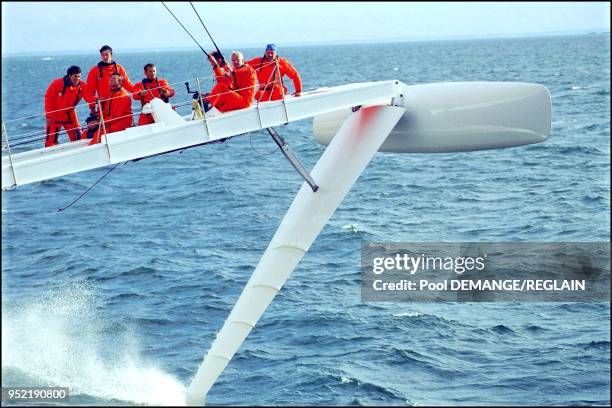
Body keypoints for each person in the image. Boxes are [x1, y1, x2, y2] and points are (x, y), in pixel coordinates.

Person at [44, 65, 93, 147]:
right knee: (50, 141)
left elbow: (89, 97)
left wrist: (97, 100)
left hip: (70, 115)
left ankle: (79, 154)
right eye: (75, 76)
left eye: (79, 76)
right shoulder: (57, 83)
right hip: (54, 116)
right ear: (69, 75)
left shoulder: (82, 86)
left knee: (78, 139)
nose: (77, 78)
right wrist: (48, 116)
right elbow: (48, 100)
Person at [86, 45, 134, 113]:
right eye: (103, 55)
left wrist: (139, 91)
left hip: (118, 103)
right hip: (104, 105)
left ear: (111, 55)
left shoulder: (119, 68)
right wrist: (92, 107)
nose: (105, 57)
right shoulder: (94, 71)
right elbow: (90, 92)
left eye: (107, 55)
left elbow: (127, 84)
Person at [90, 73, 133, 144]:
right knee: (86, 133)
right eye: (110, 79)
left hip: (121, 123)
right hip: (110, 122)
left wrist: (99, 123)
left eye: (114, 78)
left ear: (120, 81)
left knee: (99, 134)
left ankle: (90, 151)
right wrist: (97, 119)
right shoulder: (109, 94)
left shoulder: (123, 96)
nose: (111, 80)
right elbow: (104, 112)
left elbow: (116, 116)